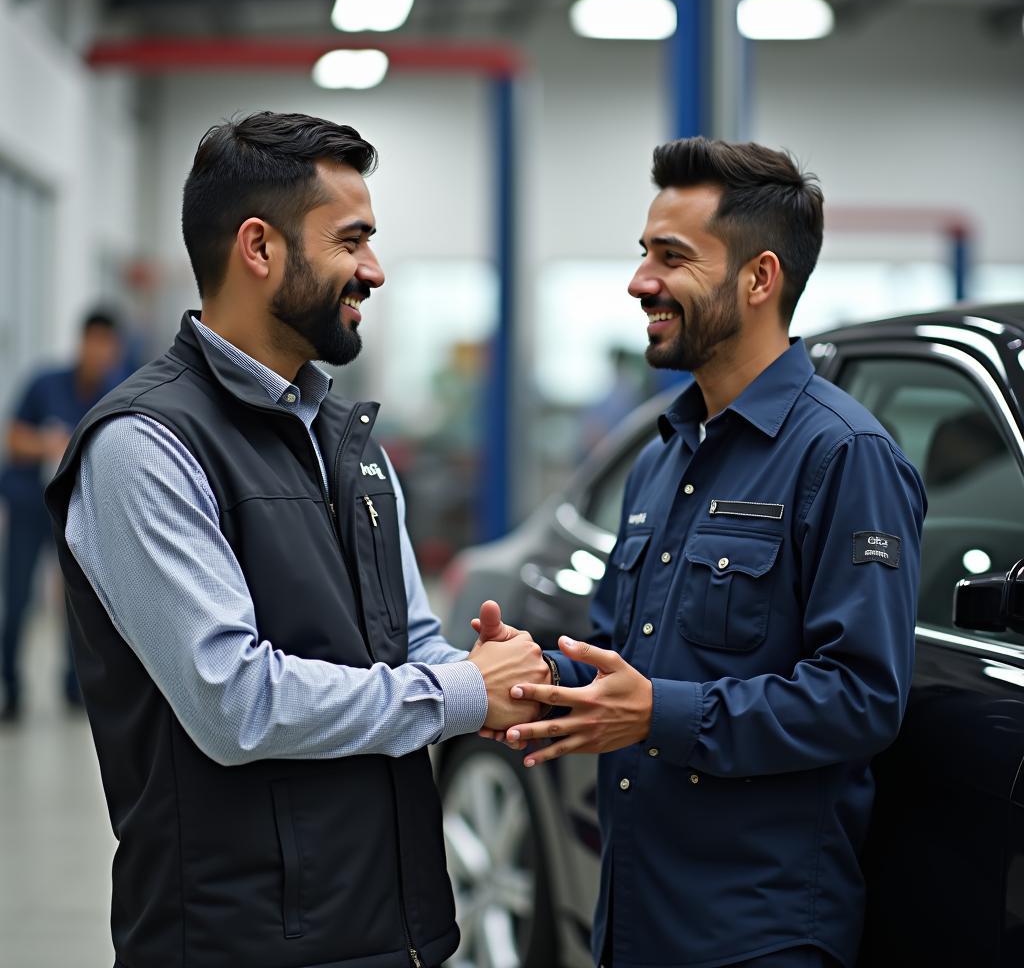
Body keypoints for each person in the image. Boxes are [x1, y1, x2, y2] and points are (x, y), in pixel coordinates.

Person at [44, 112, 548, 968]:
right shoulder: (145, 446)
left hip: (393, 926)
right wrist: (458, 692)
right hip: (237, 939)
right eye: (352, 241)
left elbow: (410, 643)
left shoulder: (349, 440)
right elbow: (233, 702)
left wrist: (498, 681)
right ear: (259, 247)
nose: (374, 270)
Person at [499, 138, 926, 968]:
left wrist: (659, 713)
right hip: (633, 916)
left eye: (672, 257)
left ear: (760, 279)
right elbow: (629, 666)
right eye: (642, 254)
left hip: (755, 934)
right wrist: (540, 678)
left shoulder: (843, 456)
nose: (639, 282)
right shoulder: (661, 460)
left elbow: (863, 697)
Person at [0, 309, 124, 720]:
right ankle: (10, 688)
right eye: (94, 342)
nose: (99, 353)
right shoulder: (45, 384)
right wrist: (49, 444)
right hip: (29, 507)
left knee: (77, 603)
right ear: (82, 343)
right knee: (18, 598)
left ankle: (75, 688)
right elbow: (13, 440)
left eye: (108, 346)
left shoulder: (117, 393)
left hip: (76, 514)